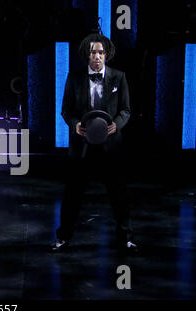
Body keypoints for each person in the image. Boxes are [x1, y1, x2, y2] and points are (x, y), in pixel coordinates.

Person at [50, 33, 138, 254]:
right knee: (72, 195)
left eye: (100, 52)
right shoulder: (74, 77)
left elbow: (126, 110)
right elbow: (66, 110)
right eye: (92, 52)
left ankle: (125, 239)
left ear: (106, 54)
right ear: (86, 55)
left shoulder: (119, 77)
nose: (96, 56)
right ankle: (63, 238)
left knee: (119, 194)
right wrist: (75, 125)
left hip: (111, 146)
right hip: (82, 146)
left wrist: (116, 125)